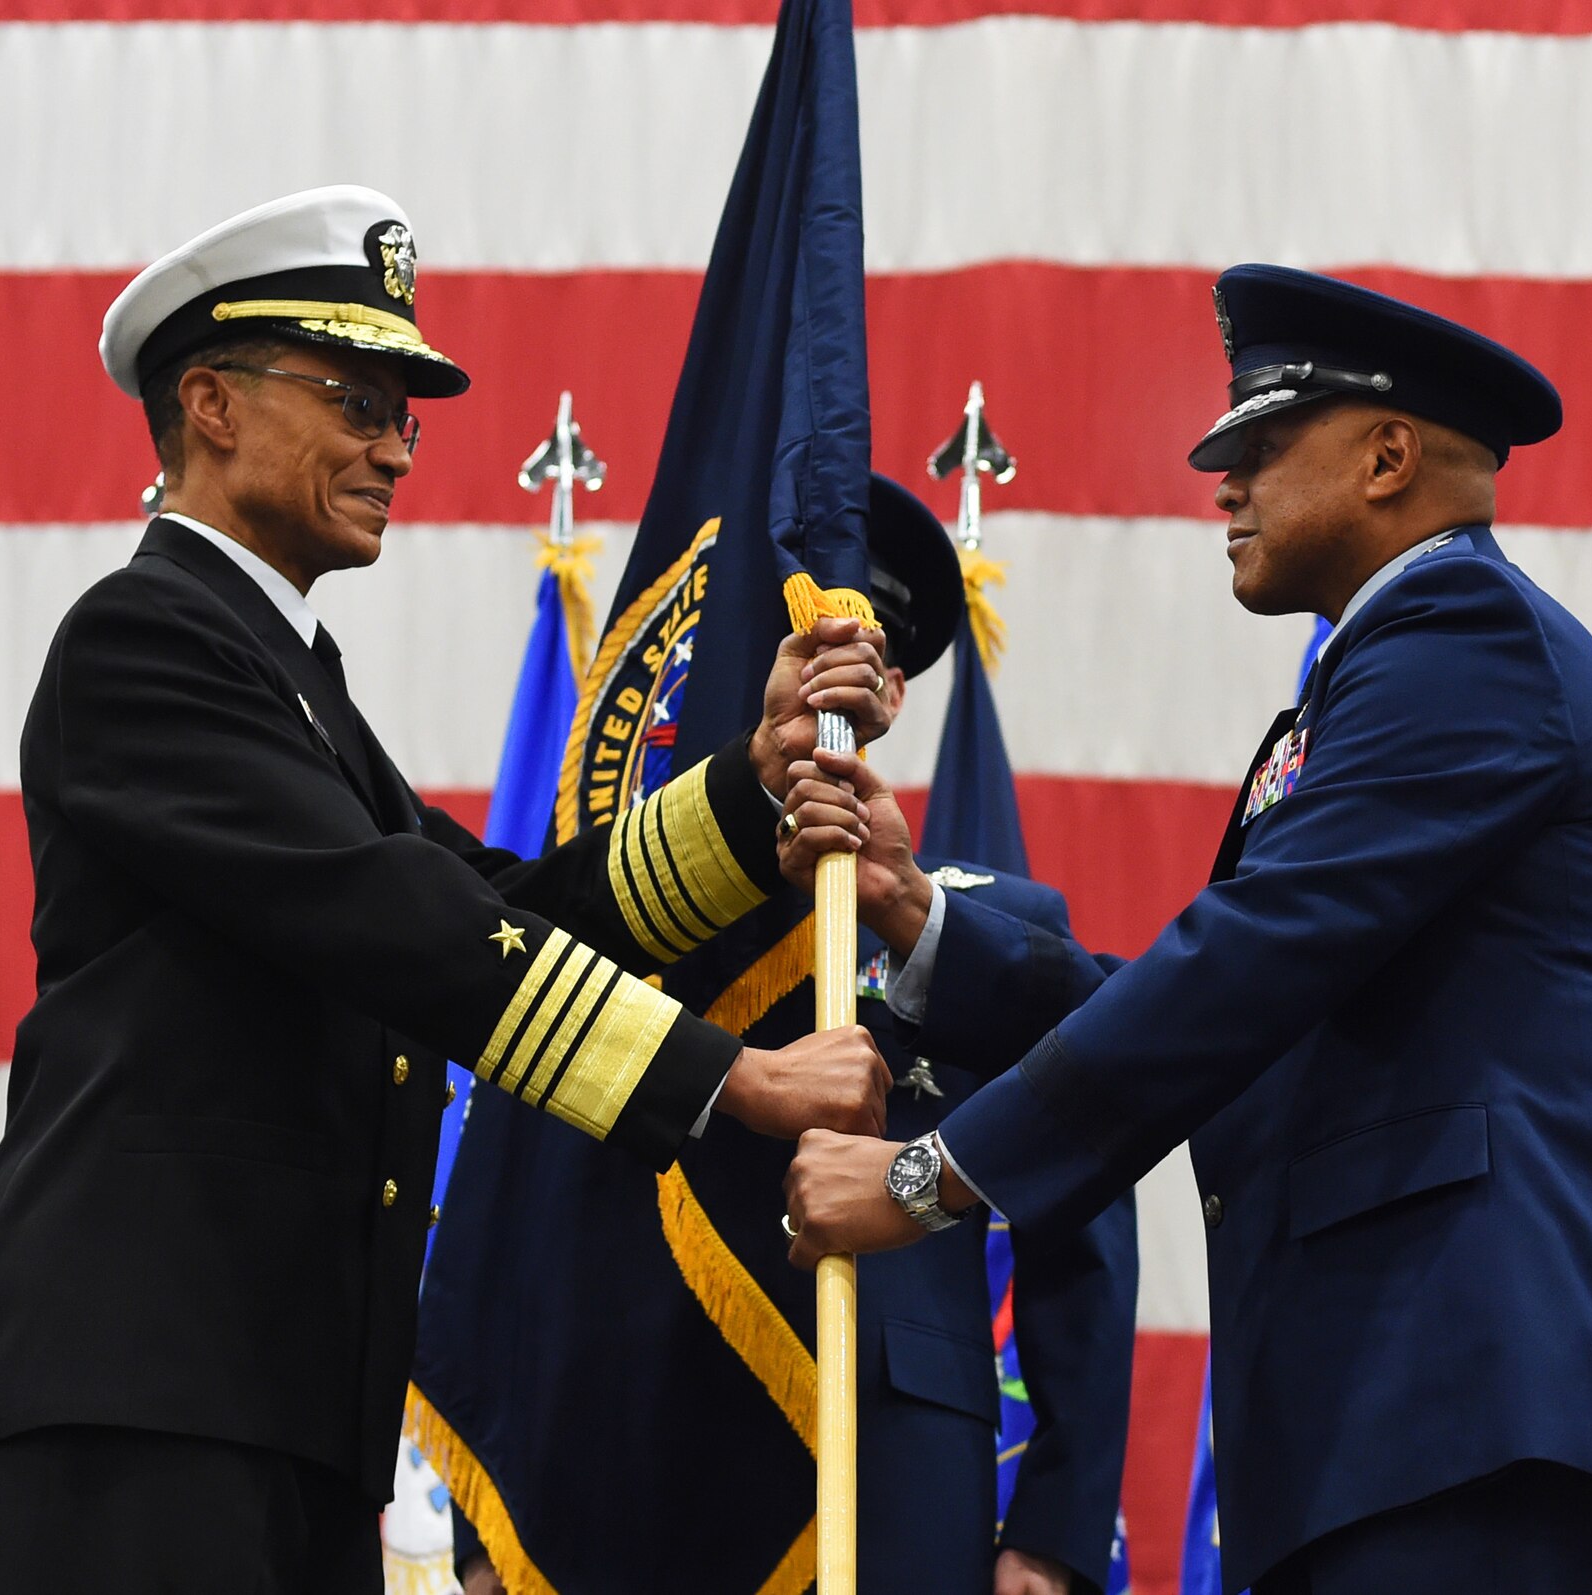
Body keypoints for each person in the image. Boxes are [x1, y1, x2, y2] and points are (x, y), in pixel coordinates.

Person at [0, 185, 896, 1595]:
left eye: (406, 412)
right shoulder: (141, 639)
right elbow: (399, 916)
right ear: (209, 402)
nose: (395, 444)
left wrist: (753, 799)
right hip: (140, 1396)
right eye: (354, 398)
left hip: (276, 1396)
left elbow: (505, 901)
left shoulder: (287, 675)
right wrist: (732, 1080)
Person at [777, 265, 1592, 1595]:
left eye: (1260, 447)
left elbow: (1244, 963)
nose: (1223, 486)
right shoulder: (1389, 670)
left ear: (1388, 456)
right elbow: (1244, 989)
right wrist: (918, 910)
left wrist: (923, 1177)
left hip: (1469, 1394)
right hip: (1406, 1411)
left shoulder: (1466, 639)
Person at [439, 481, 1138, 1595]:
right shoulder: (630, 907)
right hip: (628, 1440)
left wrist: (1053, 1524)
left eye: (845, 669)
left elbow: (1088, 1186)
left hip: (891, 1453)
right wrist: (492, 1521)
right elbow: (527, 1166)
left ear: (891, 691)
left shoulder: (994, 926)